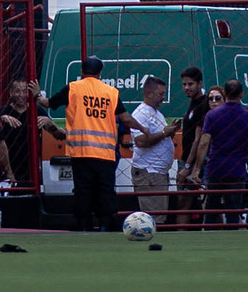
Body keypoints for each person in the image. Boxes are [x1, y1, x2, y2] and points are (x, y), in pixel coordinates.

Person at [41, 57, 122, 232]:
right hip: (105, 154)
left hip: (81, 152)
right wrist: (144, 128)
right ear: (100, 73)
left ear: (82, 71)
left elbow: (48, 103)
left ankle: (84, 225)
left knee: (83, 190)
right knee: (105, 190)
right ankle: (105, 225)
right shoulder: (111, 92)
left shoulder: (73, 89)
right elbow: (126, 118)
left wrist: (35, 95)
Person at [191, 80, 248, 225]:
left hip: (215, 168)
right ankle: (233, 239)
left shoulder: (212, 115)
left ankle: (209, 239)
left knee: (211, 210)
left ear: (225, 94)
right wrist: (247, 145)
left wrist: (197, 169)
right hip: (237, 169)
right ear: (241, 94)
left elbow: (204, 142)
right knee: (233, 210)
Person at [127, 75, 179, 213]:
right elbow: (140, 141)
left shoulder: (157, 114)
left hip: (157, 173)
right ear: (149, 93)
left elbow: (160, 136)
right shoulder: (140, 114)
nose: (163, 97)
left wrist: (170, 132)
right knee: (153, 216)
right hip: (149, 173)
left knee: (159, 214)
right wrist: (164, 133)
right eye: (160, 94)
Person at [172, 68, 211, 226]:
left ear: (200, 83)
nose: (186, 88)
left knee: (193, 203)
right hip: (187, 160)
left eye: (190, 84)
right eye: (184, 84)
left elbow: (199, 139)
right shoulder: (193, 104)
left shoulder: (204, 104)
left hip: (196, 162)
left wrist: (188, 166)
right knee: (184, 203)